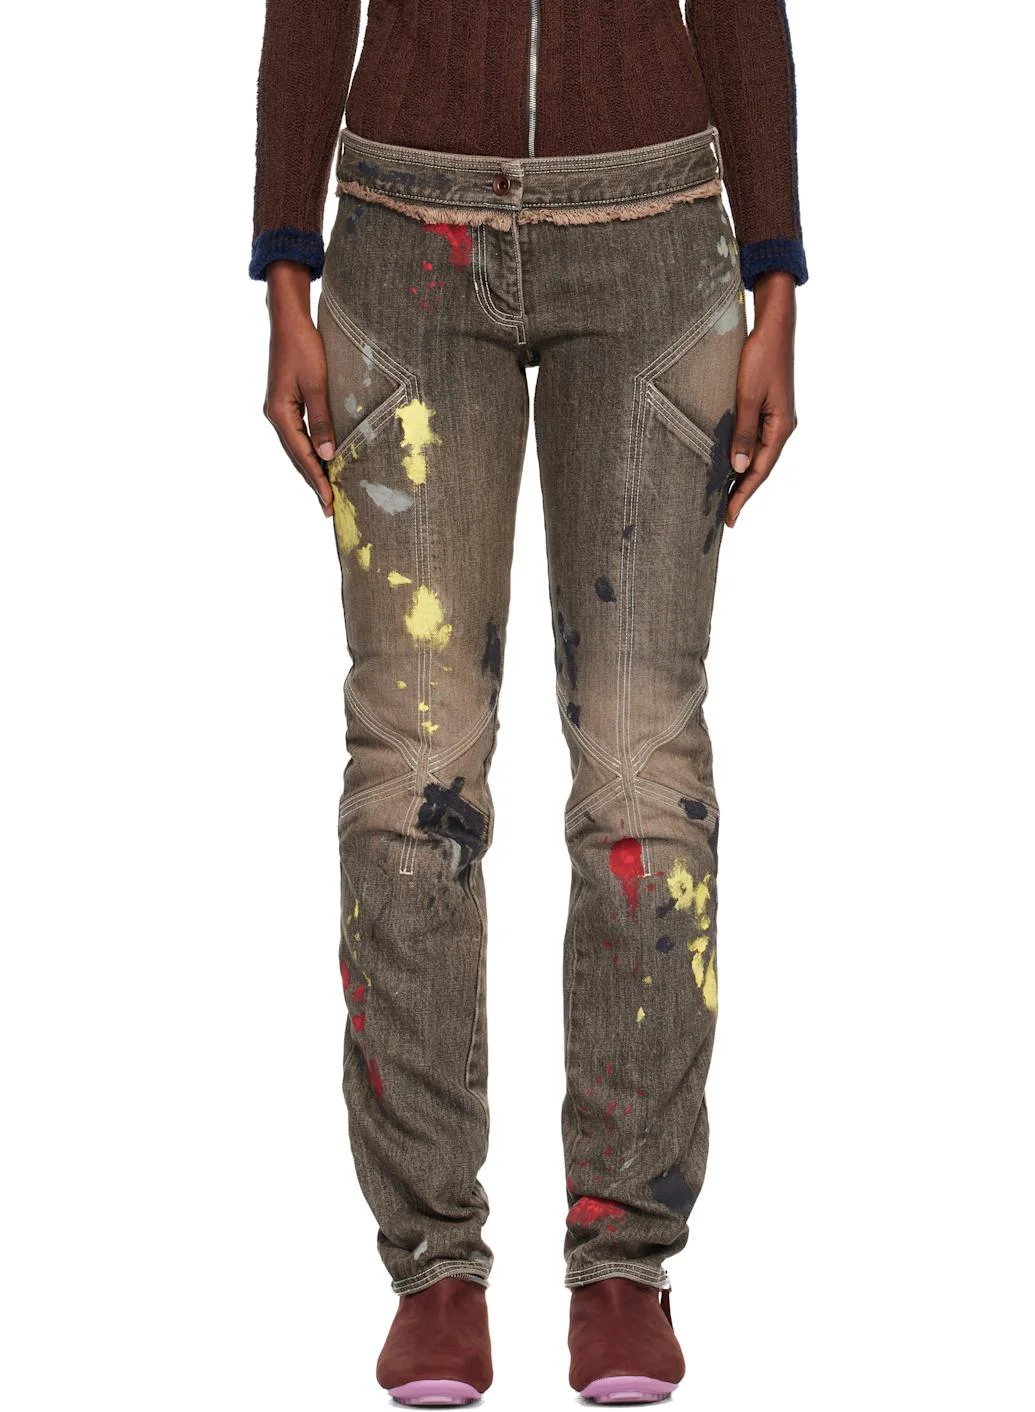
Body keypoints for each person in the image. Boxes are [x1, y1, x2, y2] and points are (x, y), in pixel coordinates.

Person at [250, 1, 806, 1403]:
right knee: (413, 768)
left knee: (640, 766)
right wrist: (283, 269)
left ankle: (623, 1260)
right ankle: (434, 1264)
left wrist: (778, 276)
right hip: (402, 235)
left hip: (656, 232)